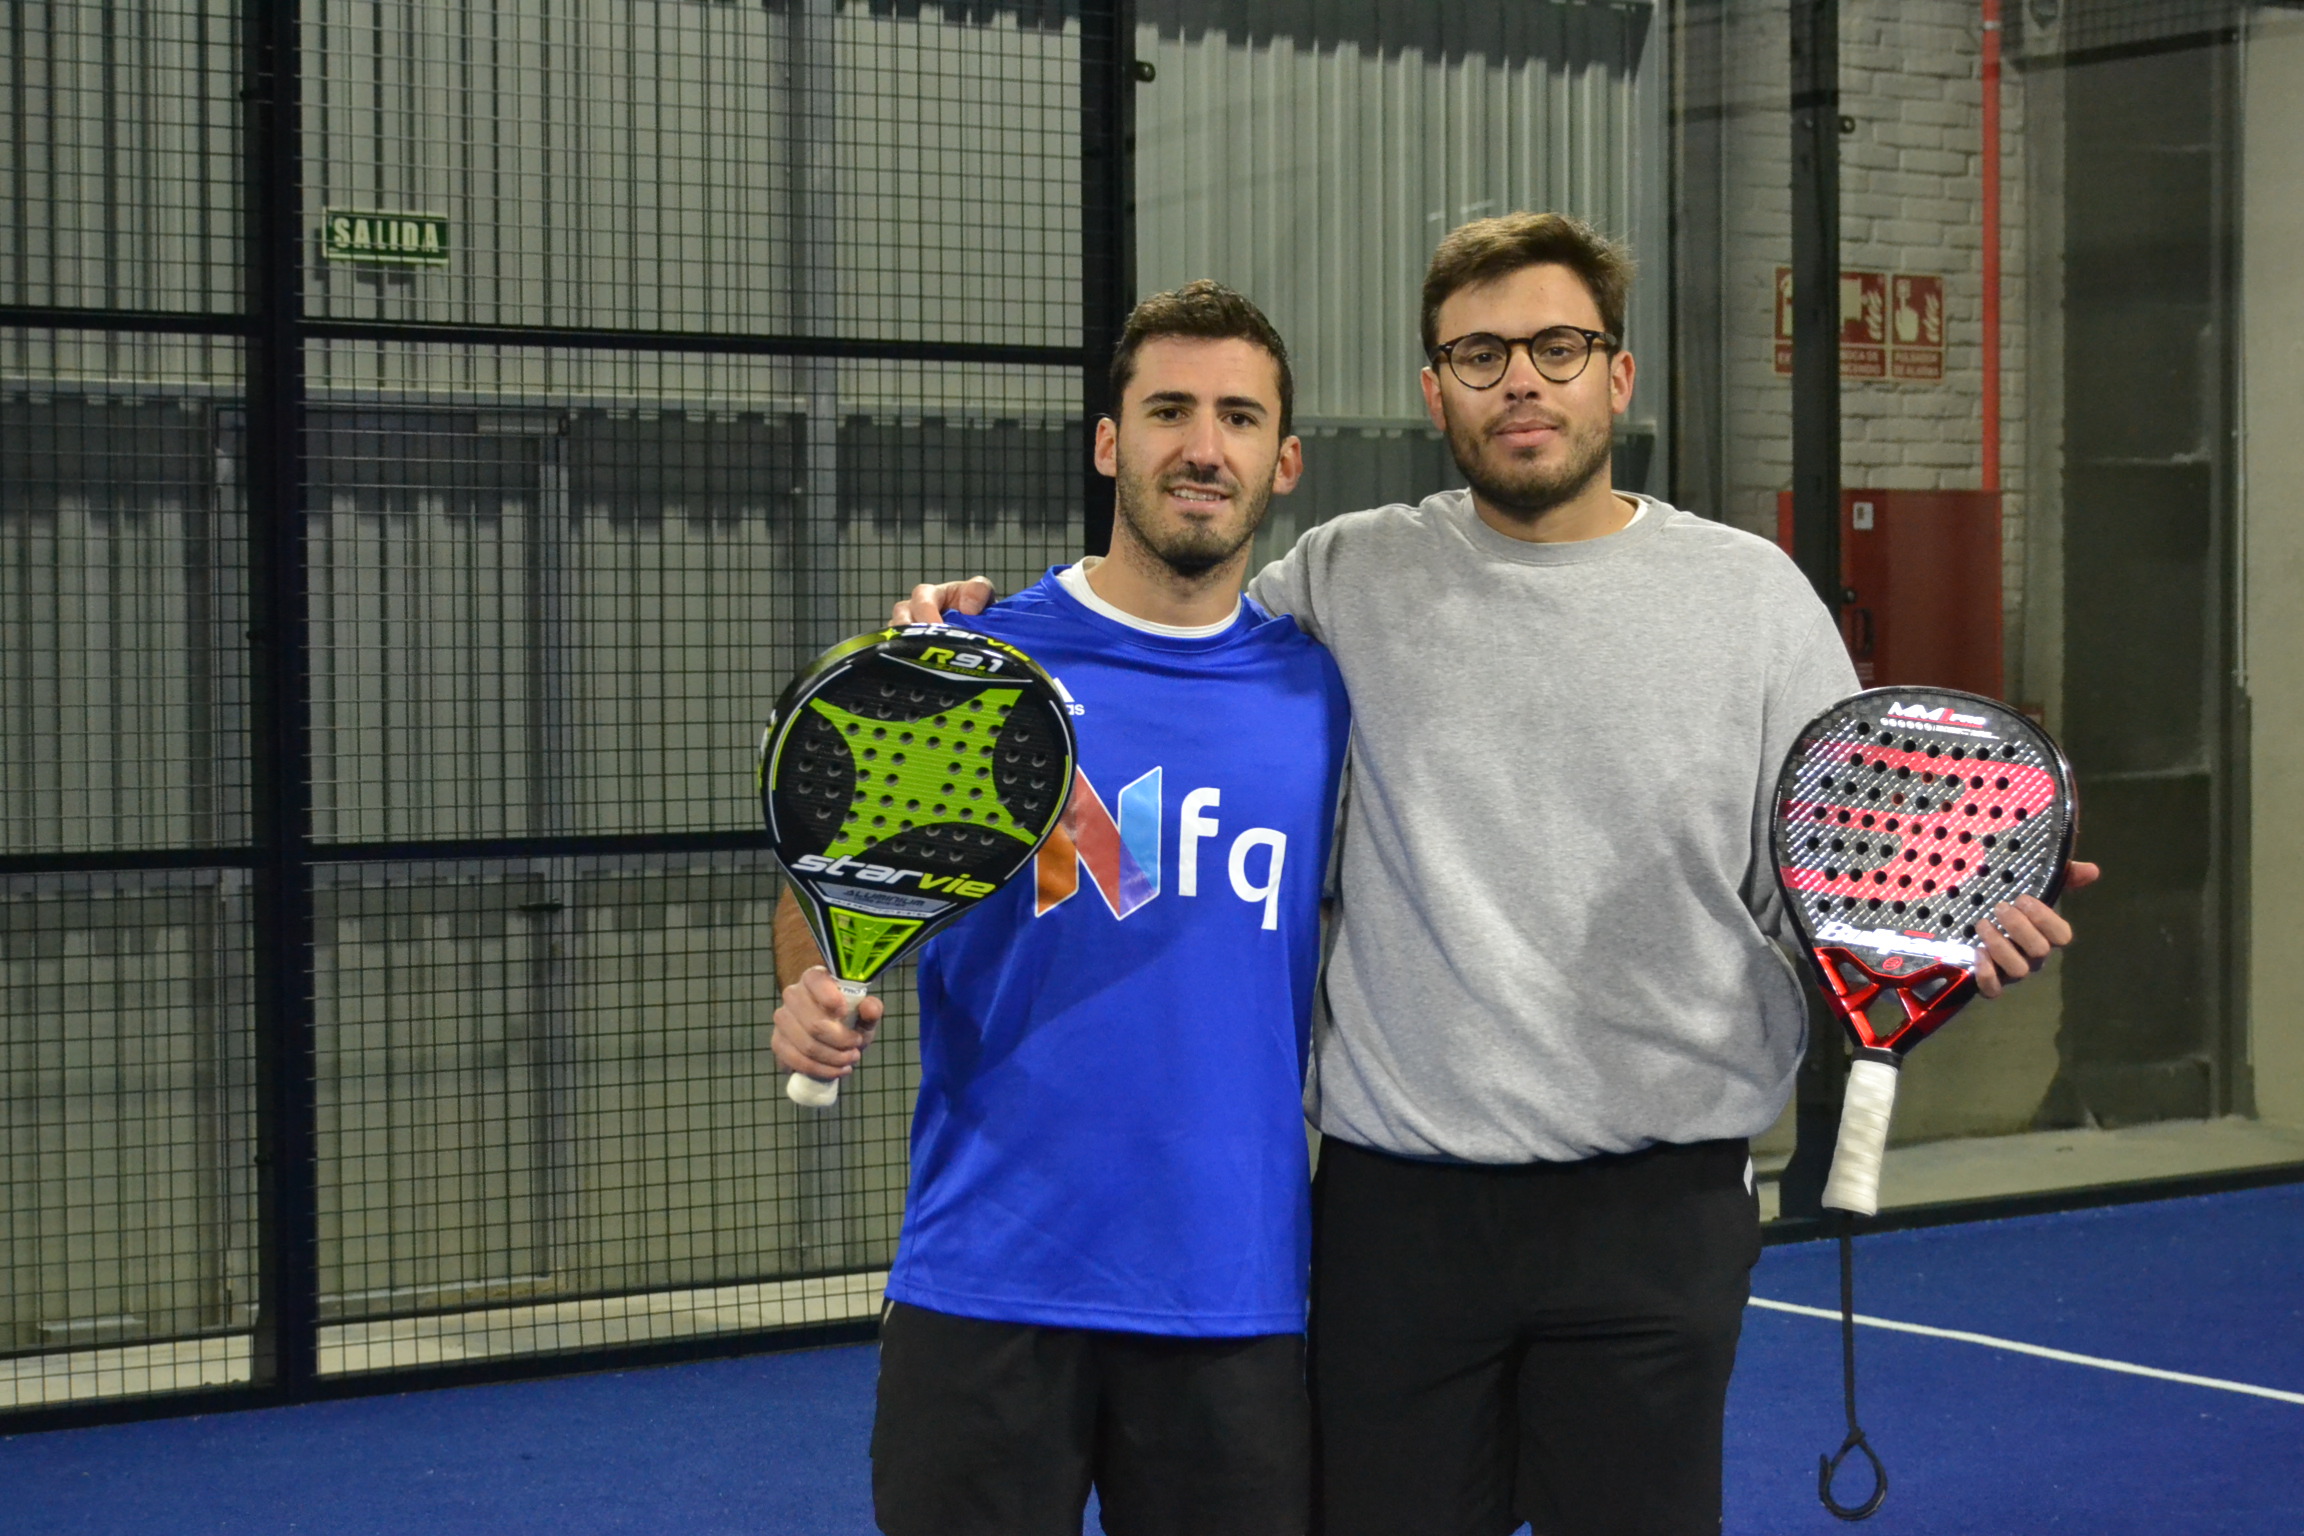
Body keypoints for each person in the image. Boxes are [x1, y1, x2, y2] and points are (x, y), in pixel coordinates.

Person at [897, 213, 2099, 1536]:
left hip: (1658, 1212)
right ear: (1437, 392)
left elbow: (1838, 874)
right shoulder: (1344, 578)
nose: (1521, 379)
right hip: (1399, 1217)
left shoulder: (1753, 601)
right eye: (1481, 355)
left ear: (1617, 376)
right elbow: (1173, 621)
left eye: (1557, 347)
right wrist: (981, 628)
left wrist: (1949, 936)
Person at [772, 280, 1349, 1536]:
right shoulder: (976, 663)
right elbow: (830, 891)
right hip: (987, 1279)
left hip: (1232, 1292)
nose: (1203, 447)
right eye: (1169, 411)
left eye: (1240, 418)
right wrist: (806, 991)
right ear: (1108, 442)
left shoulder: (1324, 693)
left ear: (1285, 460)